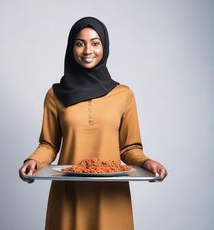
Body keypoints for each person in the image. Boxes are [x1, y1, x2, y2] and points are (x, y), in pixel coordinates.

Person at [19, 16, 168, 230]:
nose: (88, 50)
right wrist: (34, 161)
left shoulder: (123, 94)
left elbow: (129, 148)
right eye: (80, 43)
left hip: (111, 196)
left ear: (104, 47)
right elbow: (49, 145)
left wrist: (146, 163)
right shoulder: (55, 95)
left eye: (95, 43)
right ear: (71, 47)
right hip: (69, 194)